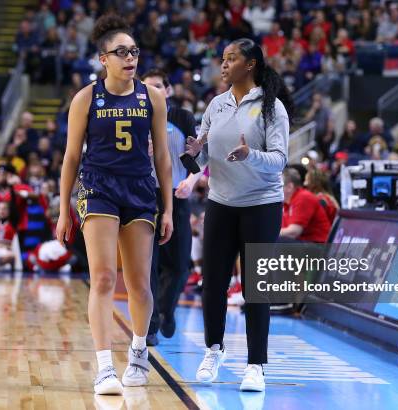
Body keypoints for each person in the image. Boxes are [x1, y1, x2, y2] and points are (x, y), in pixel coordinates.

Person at [55, 15, 173, 395]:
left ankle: (138, 352)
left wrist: (167, 208)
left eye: (134, 51)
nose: (130, 58)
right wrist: (63, 209)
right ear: (103, 58)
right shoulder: (86, 98)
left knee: (139, 283)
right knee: (104, 277)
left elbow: (164, 160)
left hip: (140, 190)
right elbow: (71, 158)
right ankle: (104, 367)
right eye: (120, 52)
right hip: (98, 187)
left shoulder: (152, 97)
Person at [185, 37, 292, 392]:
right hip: (220, 202)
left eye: (231, 59)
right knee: (212, 283)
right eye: (223, 58)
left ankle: (256, 365)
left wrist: (251, 156)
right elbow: (203, 157)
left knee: (254, 289)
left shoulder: (271, 108)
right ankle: (213, 350)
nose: (224, 64)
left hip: (261, 205)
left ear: (250, 65)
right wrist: (193, 153)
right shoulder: (215, 105)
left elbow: (279, 160)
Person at [141, 69, 200, 346]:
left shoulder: (182, 117)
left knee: (179, 264)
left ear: (168, 90)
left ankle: (166, 308)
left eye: (157, 87)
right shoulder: (135, 117)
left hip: (176, 195)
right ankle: (150, 326)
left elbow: (198, 156)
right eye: (147, 87)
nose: (152, 92)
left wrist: (191, 180)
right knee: (148, 264)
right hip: (143, 196)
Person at [280, 168, 332, 243]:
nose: (274, 189)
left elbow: (293, 232)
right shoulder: (286, 202)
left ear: (289, 187)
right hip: (305, 243)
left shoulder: (303, 197)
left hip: (319, 246)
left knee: (275, 242)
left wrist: (268, 234)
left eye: (278, 186)